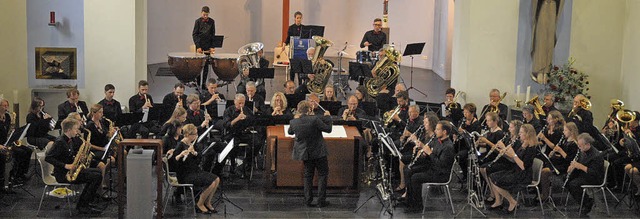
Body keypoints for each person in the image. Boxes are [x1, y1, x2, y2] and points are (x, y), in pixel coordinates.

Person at [46, 118, 103, 215]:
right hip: (63, 174)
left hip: (71, 169)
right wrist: (66, 166)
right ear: (68, 130)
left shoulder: (70, 140)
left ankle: (85, 202)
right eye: (75, 129)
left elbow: (66, 155)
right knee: (96, 177)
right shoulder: (60, 142)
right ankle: (83, 205)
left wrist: (78, 157)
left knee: (98, 172)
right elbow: (48, 158)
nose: (77, 131)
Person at [403, 121, 456, 212]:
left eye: (438, 129)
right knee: (409, 170)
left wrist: (429, 153)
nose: (435, 131)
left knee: (415, 178)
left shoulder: (448, 147)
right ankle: (409, 201)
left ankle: (417, 206)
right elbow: (431, 156)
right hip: (433, 168)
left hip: (441, 174)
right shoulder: (436, 140)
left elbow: (440, 165)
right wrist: (423, 152)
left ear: (444, 132)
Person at [287, 100, 332, 207]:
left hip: (305, 153)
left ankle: (308, 200)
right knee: (322, 174)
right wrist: (328, 118)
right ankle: (321, 201)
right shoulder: (315, 119)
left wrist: (296, 118)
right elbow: (328, 129)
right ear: (310, 109)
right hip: (319, 152)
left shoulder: (294, 122)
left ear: (298, 110)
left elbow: (290, 132)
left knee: (308, 176)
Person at [487, 124, 539, 214]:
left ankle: (512, 201)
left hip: (523, 175)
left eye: (521, 133)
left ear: (527, 134)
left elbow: (523, 166)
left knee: (496, 180)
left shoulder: (531, 149)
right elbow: (515, 159)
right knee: (492, 176)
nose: (519, 135)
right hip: (516, 170)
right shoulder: (524, 145)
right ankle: (500, 201)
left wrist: (513, 155)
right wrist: (505, 151)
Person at [173, 124, 220, 214]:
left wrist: (194, 153)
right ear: (187, 135)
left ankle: (207, 202)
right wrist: (181, 155)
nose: (196, 136)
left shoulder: (192, 144)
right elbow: (174, 163)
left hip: (195, 171)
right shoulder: (180, 145)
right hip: (185, 175)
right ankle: (200, 204)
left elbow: (198, 161)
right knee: (211, 183)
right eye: (194, 134)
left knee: (217, 179)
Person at [566, 133, 605, 217]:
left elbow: (594, 173)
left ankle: (587, 203)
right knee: (566, 180)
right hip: (584, 175)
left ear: (587, 144)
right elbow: (579, 162)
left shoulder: (596, 156)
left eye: (580, 146)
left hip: (594, 178)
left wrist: (579, 166)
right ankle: (582, 202)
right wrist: (572, 166)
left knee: (574, 184)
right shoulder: (583, 151)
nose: (579, 148)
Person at [539, 121, 579, 201]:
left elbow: (570, 159)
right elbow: (562, 157)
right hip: (561, 163)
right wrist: (554, 155)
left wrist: (560, 151)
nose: (563, 132)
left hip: (566, 167)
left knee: (544, 171)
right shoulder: (565, 140)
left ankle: (545, 195)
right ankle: (542, 192)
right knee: (542, 166)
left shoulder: (574, 144)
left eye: (565, 130)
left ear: (571, 132)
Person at [396, 111, 433, 193]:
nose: (423, 122)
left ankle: (407, 190)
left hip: (427, 161)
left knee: (409, 169)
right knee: (405, 163)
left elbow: (427, 148)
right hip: (422, 156)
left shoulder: (432, 135)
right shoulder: (424, 131)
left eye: (425, 121)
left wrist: (416, 141)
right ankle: (406, 189)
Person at [1, 98, 33, 185]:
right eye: (4, 106)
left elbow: (9, 130)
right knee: (20, 152)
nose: (7, 107)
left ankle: (21, 174)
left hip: (8, 142)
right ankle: (13, 176)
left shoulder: (7, 117)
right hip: (1, 144)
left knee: (28, 150)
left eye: (7, 105)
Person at [85, 104, 114, 191]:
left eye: (102, 112)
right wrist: (101, 149)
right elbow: (88, 144)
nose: (102, 114)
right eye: (100, 112)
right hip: (95, 150)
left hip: (103, 147)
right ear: (94, 113)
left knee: (113, 160)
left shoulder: (101, 122)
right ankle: (101, 184)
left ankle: (103, 176)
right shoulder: (89, 125)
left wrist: (110, 134)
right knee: (107, 161)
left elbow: (104, 135)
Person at [192, 5, 216, 90]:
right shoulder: (197, 21)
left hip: (207, 46)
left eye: (206, 14)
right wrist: (198, 46)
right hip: (199, 46)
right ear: (201, 13)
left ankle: (203, 83)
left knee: (206, 66)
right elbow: (195, 34)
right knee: (199, 66)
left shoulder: (212, 22)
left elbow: (213, 35)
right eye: (204, 14)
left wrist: (212, 46)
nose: (205, 16)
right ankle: (198, 84)